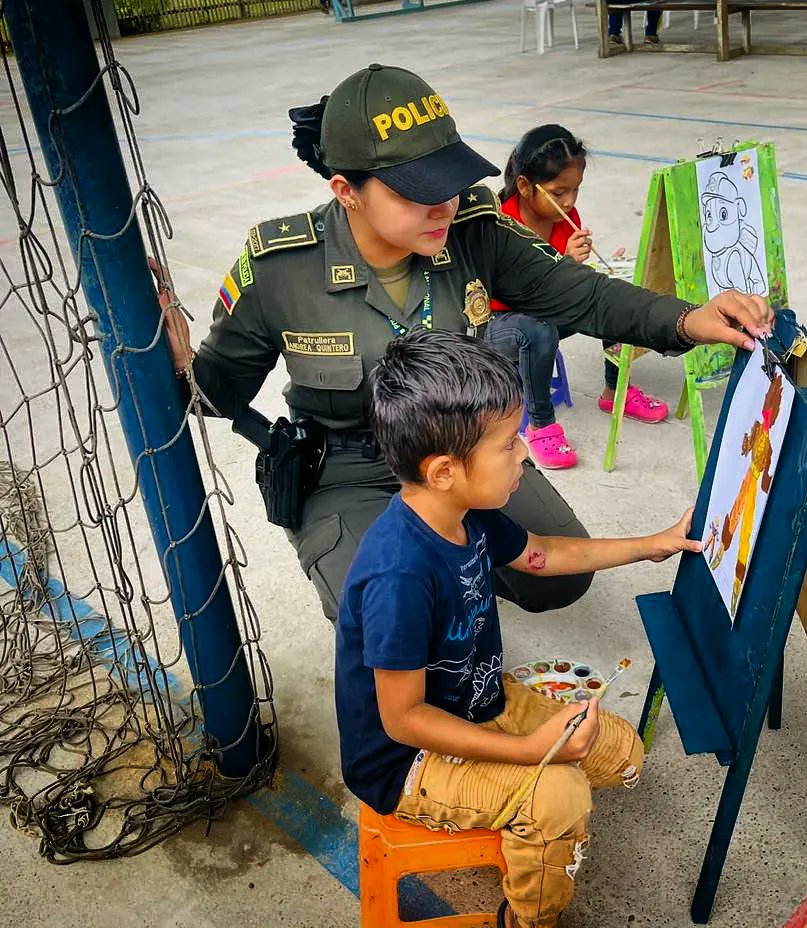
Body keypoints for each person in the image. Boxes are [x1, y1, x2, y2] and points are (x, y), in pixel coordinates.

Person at [158, 63, 772, 622]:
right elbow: (218, 395)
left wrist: (688, 318)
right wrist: (183, 364)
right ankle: (431, 586)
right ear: (347, 190)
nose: (442, 204)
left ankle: (459, 571)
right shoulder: (281, 268)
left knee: (559, 583)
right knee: (391, 627)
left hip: (467, 447)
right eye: (415, 190)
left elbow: (581, 295)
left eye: (447, 181)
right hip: (350, 470)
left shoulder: (472, 231)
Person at [337, 327, 703, 928]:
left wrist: (653, 545)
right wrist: (528, 754)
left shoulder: (469, 513)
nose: (526, 453)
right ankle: (527, 919)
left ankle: (519, 809)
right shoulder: (398, 573)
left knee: (621, 754)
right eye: (509, 445)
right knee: (562, 798)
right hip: (405, 761)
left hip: (480, 702)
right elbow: (402, 719)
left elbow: (543, 555)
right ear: (444, 470)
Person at [486, 125, 669, 471]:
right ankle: (540, 424)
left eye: (575, 190)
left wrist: (597, 269)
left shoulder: (562, 217)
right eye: (559, 191)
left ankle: (615, 390)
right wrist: (563, 262)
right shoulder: (499, 223)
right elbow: (512, 293)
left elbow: (568, 289)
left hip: (541, 310)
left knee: (609, 294)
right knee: (536, 329)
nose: (569, 201)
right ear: (525, 186)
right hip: (497, 325)